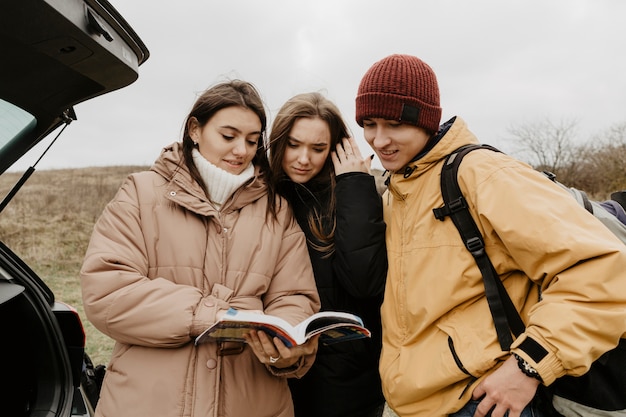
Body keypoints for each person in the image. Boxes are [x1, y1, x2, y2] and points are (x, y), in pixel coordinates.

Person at [354, 54, 626, 417]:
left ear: (427, 121)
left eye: (395, 124)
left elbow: (604, 273)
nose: (379, 139)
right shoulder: (397, 192)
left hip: (483, 401)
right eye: (369, 124)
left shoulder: (481, 174)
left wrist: (529, 366)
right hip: (411, 405)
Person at [80, 80, 321, 417]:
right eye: (228, 136)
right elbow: (108, 290)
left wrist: (286, 343)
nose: (242, 150)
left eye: (253, 141)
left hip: (252, 402)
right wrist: (209, 315)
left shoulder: (276, 211)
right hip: (147, 404)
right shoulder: (141, 193)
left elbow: (294, 297)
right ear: (195, 128)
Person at [268, 92, 387, 417]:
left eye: (317, 148)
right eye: (294, 145)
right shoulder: (261, 198)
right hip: (270, 371)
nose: (303, 158)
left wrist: (355, 186)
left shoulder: (352, 196)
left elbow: (364, 282)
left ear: (335, 149)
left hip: (344, 385)